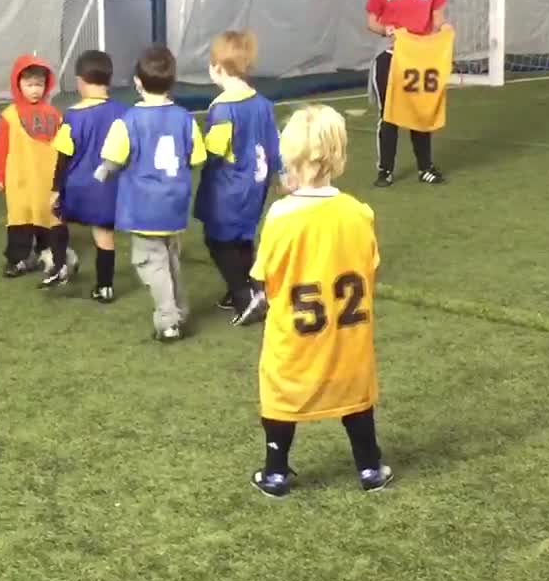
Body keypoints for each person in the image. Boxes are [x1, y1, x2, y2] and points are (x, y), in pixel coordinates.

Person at [247, 104, 393, 498]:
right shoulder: (358, 212)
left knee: (280, 398)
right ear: (339, 154)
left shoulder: (280, 216)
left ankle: (276, 471)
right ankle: (370, 468)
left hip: (295, 338)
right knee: (355, 397)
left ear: (289, 154)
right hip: (348, 335)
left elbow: (264, 276)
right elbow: (370, 267)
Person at [94, 47, 206, 342]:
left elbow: (114, 158)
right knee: (170, 260)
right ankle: (181, 311)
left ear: (137, 82)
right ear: (172, 82)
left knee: (150, 263)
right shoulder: (186, 118)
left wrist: (104, 170)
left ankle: (168, 320)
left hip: (144, 208)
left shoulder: (128, 120)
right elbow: (197, 158)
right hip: (175, 205)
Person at [193, 30, 280, 327]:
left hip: (228, 186)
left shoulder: (222, 108)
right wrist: (279, 174)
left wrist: (193, 152)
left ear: (217, 67)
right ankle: (244, 288)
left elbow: (215, 151)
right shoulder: (264, 103)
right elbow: (273, 145)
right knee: (243, 237)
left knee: (217, 240)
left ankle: (246, 295)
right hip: (257, 183)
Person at [364, 0, 452, 188]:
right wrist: (386, 29)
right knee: (389, 115)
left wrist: (444, 28)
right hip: (392, 57)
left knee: (421, 112)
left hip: (420, 59)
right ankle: (385, 170)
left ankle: (425, 167)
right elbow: (371, 21)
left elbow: (438, 19)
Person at [51, 50, 130, 303]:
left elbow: (63, 156)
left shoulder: (72, 115)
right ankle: (105, 287)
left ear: (80, 81)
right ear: (109, 79)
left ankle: (60, 265)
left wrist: (55, 189)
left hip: (78, 187)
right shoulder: (124, 111)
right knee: (104, 234)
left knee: (55, 218)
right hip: (110, 186)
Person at [0, 55, 71, 287]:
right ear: (18, 84)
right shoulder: (9, 116)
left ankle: (47, 255)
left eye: (39, 84)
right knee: (20, 219)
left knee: (47, 217)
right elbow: (0, 149)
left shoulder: (55, 115)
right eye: (29, 85)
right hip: (19, 180)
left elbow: (63, 146)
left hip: (46, 180)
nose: (35, 90)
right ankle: (17, 259)